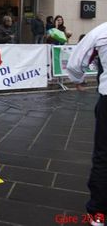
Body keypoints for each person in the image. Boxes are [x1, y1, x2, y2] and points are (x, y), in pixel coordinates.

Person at [66, 22, 107, 226]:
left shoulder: (102, 31)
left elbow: (76, 61)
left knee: (103, 156)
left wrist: (77, 79)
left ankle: (98, 213)